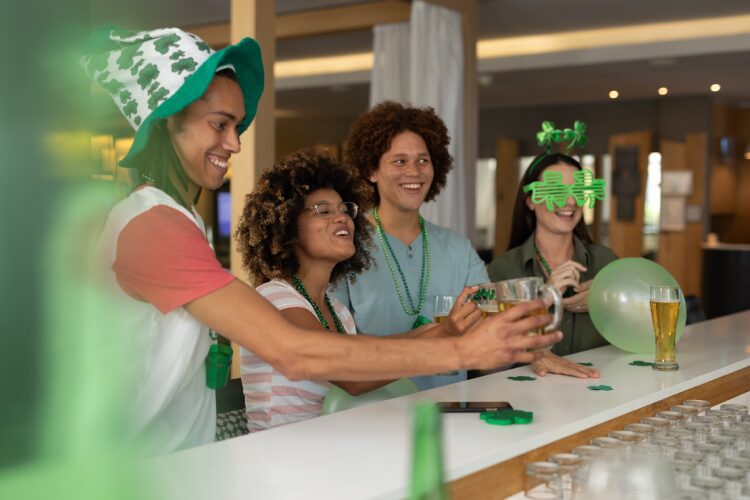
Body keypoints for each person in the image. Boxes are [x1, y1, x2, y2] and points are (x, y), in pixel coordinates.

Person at [85, 27, 560, 454]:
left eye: (236, 126)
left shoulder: (181, 218)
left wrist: (452, 333)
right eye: (220, 124)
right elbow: (294, 350)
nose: (234, 144)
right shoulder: (151, 226)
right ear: (169, 122)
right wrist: (461, 351)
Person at [235, 149, 480, 431]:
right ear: (288, 228)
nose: (342, 218)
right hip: (281, 465)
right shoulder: (274, 298)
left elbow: (363, 356)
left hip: (331, 455)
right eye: (324, 211)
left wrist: (435, 331)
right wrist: (441, 337)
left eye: (344, 209)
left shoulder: (339, 312)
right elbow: (352, 375)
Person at [332, 101, 491, 391]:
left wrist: (536, 353)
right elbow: (335, 353)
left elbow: (490, 334)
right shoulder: (344, 247)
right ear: (371, 170)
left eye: (423, 160)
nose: (414, 172)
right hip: (371, 416)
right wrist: (442, 334)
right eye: (399, 161)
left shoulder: (458, 249)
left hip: (450, 411)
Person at [487, 148, 617, 379]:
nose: (570, 201)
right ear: (529, 200)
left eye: (577, 190)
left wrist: (608, 299)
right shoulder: (502, 270)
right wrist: (543, 300)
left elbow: (644, 332)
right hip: (526, 402)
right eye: (556, 190)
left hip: (599, 397)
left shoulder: (606, 262)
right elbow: (486, 363)